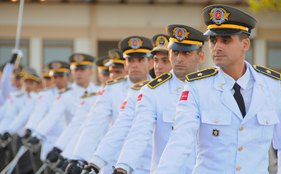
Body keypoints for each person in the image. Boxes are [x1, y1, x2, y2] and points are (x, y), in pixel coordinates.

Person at [155, 4, 281, 174]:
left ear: (245, 44)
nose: (217, 47)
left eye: (226, 40)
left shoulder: (269, 85)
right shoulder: (197, 87)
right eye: (213, 41)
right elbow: (180, 141)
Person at [114, 25, 206, 174]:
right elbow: (139, 132)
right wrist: (123, 167)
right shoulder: (153, 91)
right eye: (175, 52)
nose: (179, 59)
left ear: (201, 57)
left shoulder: (213, 88)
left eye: (186, 53)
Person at [81, 33, 172, 174]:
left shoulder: (194, 89)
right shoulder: (143, 92)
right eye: (156, 60)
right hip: (128, 164)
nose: (159, 66)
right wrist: (94, 162)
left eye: (165, 61)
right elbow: (122, 128)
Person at [63, 36, 153, 174]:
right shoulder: (112, 89)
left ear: (151, 63)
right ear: (125, 64)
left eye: (140, 60)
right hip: (114, 163)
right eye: (130, 60)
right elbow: (95, 123)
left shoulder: (160, 89)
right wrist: (79, 158)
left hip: (150, 164)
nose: (135, 65)